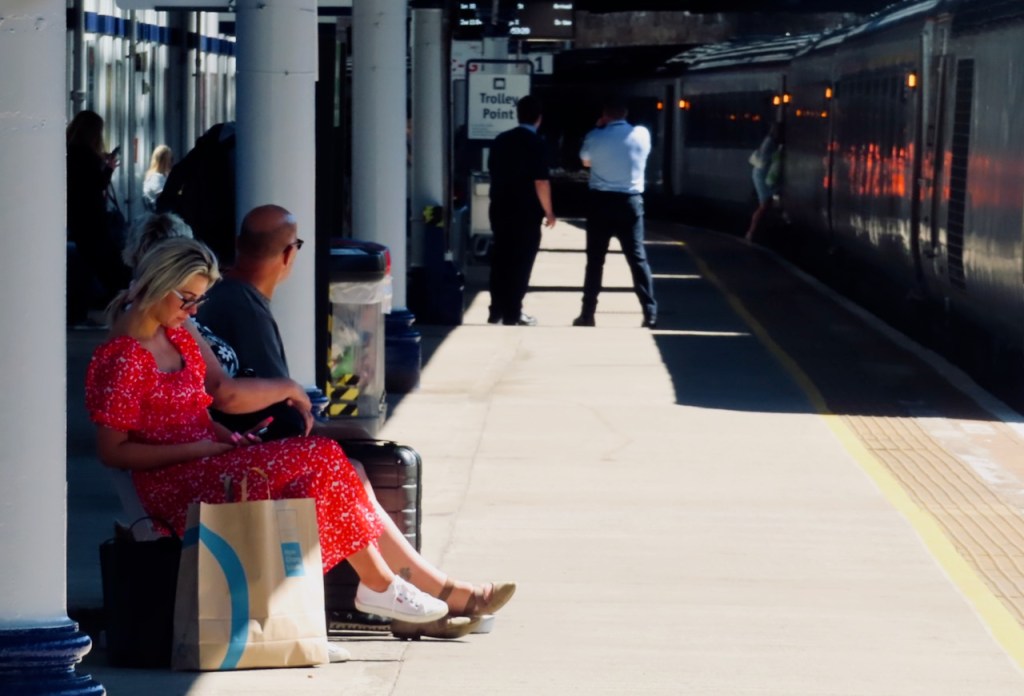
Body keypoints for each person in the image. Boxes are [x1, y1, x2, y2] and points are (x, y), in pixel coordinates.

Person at [196, 206, 516, 640]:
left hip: (228, 445)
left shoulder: (224, 304)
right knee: (347, 467)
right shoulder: (242, 307)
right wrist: (300, 400)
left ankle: (418, 591)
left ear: (237, 247)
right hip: (229, 458)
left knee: (347, 459)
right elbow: (245, 403)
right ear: (291, 254)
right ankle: (413, 590)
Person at [572, 100, 658, 329]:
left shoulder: (595, 135)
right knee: (637, 259)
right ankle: (650, 313)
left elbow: (586, 161)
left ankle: (587, 314)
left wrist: (599, 128)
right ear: (626, 114)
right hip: (630, 203)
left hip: (600, 203)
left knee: (595, 262)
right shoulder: (642, 134)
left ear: (604, 115)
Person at [486, 94, 556, 326]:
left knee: (501, 259)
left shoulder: (500, 140)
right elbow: (541, 182)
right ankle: (513, 312)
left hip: (499, 208)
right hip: (525, 213)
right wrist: (549, 212)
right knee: (521, 261)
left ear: (517, 115)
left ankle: (495, 310)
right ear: (539, 119)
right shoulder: (538, 144)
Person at [66, 109, 130, 323]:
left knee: (87, 266)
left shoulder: (68, 152)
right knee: (111, 267)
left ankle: (79, 311)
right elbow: (96, 186)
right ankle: (123, 308)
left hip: (77, 220)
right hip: (93, 221)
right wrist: (108, 169)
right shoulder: (87, 156)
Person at [746, 123, 782, 241]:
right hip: (762, 175)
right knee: (764, 205)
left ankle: (754, 232)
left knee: (766, 204)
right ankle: (751, 232)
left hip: (761, 174)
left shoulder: (769, 141)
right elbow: (766, 159)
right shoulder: (770, 143)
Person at [142, 145, 173, 211]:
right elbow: (164, 198)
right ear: (162, 161)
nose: (170, 162)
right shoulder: (155, 177)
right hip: (160, 214)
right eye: (169, 160)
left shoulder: (165, 174)